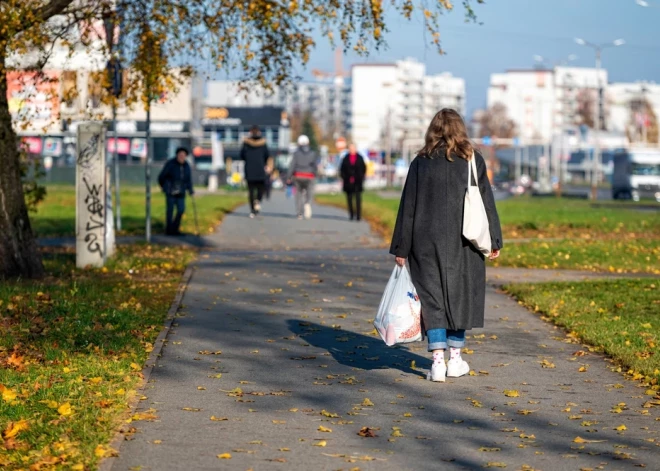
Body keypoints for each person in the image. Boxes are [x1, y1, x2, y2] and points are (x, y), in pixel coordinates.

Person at [389, 109, 503, 383]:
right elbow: (486, 201)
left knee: (433, 299)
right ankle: (456, 360)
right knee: (460, 297)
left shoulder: (421, 162)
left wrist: (401, 248)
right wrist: (494, 240)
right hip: (465, 241)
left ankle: (437, 362)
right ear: (460, 130)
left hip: (424, 240)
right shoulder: (473, 159)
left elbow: (409, 206)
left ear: (433, 130)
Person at [158, 147, 194, 236]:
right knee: (170, 211)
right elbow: (161, 176)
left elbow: (188, 179)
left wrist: (190, 189)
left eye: (184, 155)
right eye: (180, 155)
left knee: (181, 210)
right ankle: (169, 230)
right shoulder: (170, 164)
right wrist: (164, 187)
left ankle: (175, 228)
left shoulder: (186, 166)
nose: (182, 157)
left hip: (181, 191)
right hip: (170, 191)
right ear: (177, 155)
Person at [239, 125, 271, 218]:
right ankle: (258, 200)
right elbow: (267, 155)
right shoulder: (263, 143)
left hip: (249, 170)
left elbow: (241, 155)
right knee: (261, 189)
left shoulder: (246, 143)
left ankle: (252, 210)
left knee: (251, 191)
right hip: (260, 169)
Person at [287, 135, 318, 219]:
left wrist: (289, 177)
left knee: (298, 195)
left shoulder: (296, 153)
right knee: (309, 192)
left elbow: (292, 165)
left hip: (298, 175)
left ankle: (299, 213)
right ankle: (307, 203)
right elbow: (315, 166)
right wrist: (315, 174)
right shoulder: (313, 153)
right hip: (309, 175)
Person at [340, 143, 367, 221]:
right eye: (350, 148)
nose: (352, 150)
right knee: (349, 199)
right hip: (348, 182)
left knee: (358, 199)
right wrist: (344, 177)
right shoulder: (345, 158)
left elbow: (363, 168)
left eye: (353, 148)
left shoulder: (360, 158)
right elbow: (342, 169)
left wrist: (361, 177)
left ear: (355, 148)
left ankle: (358, 215)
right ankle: (351, 214)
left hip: (358, 182)